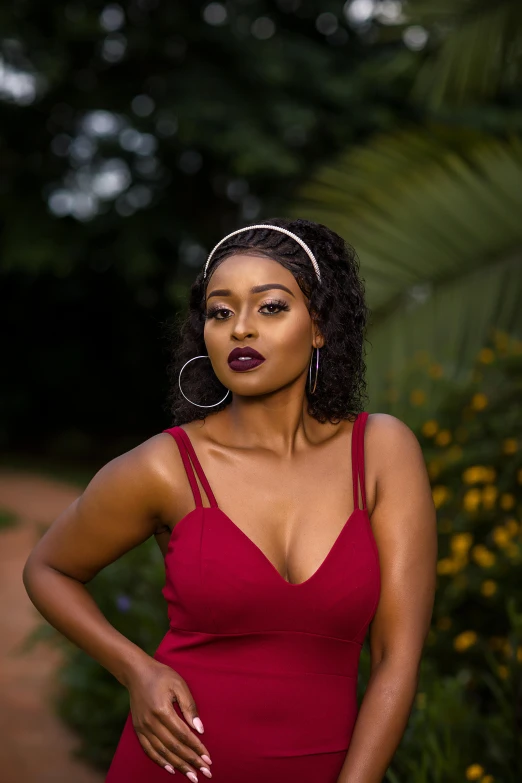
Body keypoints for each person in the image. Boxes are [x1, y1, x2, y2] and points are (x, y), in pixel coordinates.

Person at [23, 218, 437, 783]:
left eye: (270, 307)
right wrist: (136, 671)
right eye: (220, 312)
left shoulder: (383, 452)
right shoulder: (166, 467)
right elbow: (48, 568)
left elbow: (396, 660)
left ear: (319, 327)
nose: (241, 329)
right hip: (177, 766)